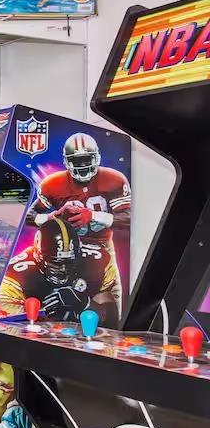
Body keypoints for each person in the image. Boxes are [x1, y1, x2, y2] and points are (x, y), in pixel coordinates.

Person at [23, 133, 131, 327]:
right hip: (62, 250)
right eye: (77, 161)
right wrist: (52, 216)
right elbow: (28, 216)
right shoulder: (52, 184)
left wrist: (93, 216)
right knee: (57, 308)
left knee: (109, 314)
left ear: (96, 158)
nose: (82, 166)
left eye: (86, 160)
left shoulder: (113, 179)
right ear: (67, 162)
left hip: (102, 248)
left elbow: (129, 218)